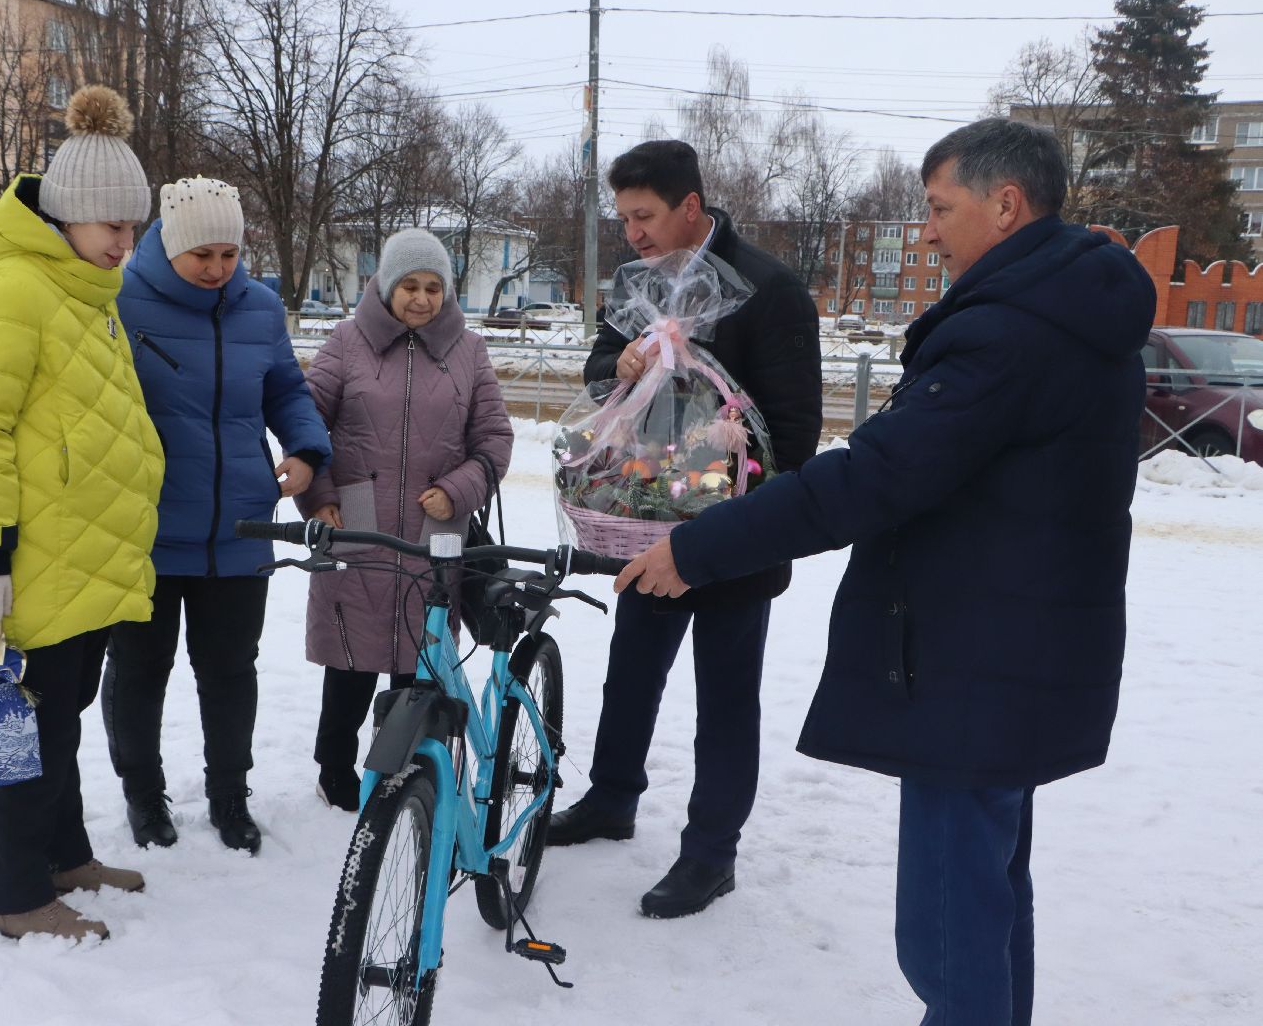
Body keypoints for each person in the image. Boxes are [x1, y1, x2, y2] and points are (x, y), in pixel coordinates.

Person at [617, 118, 1155, 1024]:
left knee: (946, 929)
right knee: (988, 900)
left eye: (941, 209)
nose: (930, 231)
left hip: (976, 661)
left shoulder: (1010, 335)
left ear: (1006, 204)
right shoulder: (1066, 310)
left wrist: (698, 546)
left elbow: (874, 476)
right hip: (1019, 646)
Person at [546, 139, 824, 919]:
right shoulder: (637, 283)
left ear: (690, 208)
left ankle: (711, 853)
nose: (631, 233)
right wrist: (621, 367)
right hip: (645, 521)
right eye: (623, 216)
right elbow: (600, 368)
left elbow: (796, 428)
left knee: (726, 697)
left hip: (735, 535)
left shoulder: (769, 289)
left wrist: (749, 519)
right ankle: (611, 800)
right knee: (631, 672)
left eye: (644, 216)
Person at [0, 85, 163, 943]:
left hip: (91, 555)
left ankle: (66, 857)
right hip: (34, 560)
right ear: (67, 216)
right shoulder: (15, 294)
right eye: (112, 226)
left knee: (62, 722)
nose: (124, 243)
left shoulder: (88, 297)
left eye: (133, 228)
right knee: (26, 735)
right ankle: (15, 896)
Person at [102, 175, 331, 855]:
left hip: (239, 524)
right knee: (140, 669)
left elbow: (286, 388)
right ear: (169, 243)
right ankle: (144, 794)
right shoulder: (118, 302)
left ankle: (230, 794)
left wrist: (306, 448)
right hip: (143, 525)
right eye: (202, 254)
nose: (217, 268)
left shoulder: (258, 308)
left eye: (229, 253)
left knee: (231, 668)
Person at [295, 227, 514, 811]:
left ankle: (408, 767)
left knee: (420, 659)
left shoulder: (469, 351)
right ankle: (335, 766)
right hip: (356, 526)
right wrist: (317, 497)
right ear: (385, 285)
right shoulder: (346, 342)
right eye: (409, 286)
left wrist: (457, 490)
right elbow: (304, 423)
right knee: (349, 660)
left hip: (432, 534)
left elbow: (494, 440)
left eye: (433, 287)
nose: (421, 299)